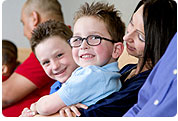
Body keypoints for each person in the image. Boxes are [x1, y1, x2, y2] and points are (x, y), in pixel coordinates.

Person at [58, 0, 177, 117]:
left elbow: (92, 114)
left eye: (140, 36)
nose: (126, 37)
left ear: (159, 43)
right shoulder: (128, 69)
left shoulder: (143, 85)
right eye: (131, 23)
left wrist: (63, 107)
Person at [21, 2, 125, 116]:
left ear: (116, 50)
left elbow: (46, 107)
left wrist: (36, 105)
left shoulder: (93, 75)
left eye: (95, 37)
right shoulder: (105, 76)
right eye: (78, 39)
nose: (83, 45)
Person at [2, 0, 64, 117]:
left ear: (34, 18)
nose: (24, 33)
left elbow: (4, 96)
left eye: (23, 23)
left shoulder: (50, 47)